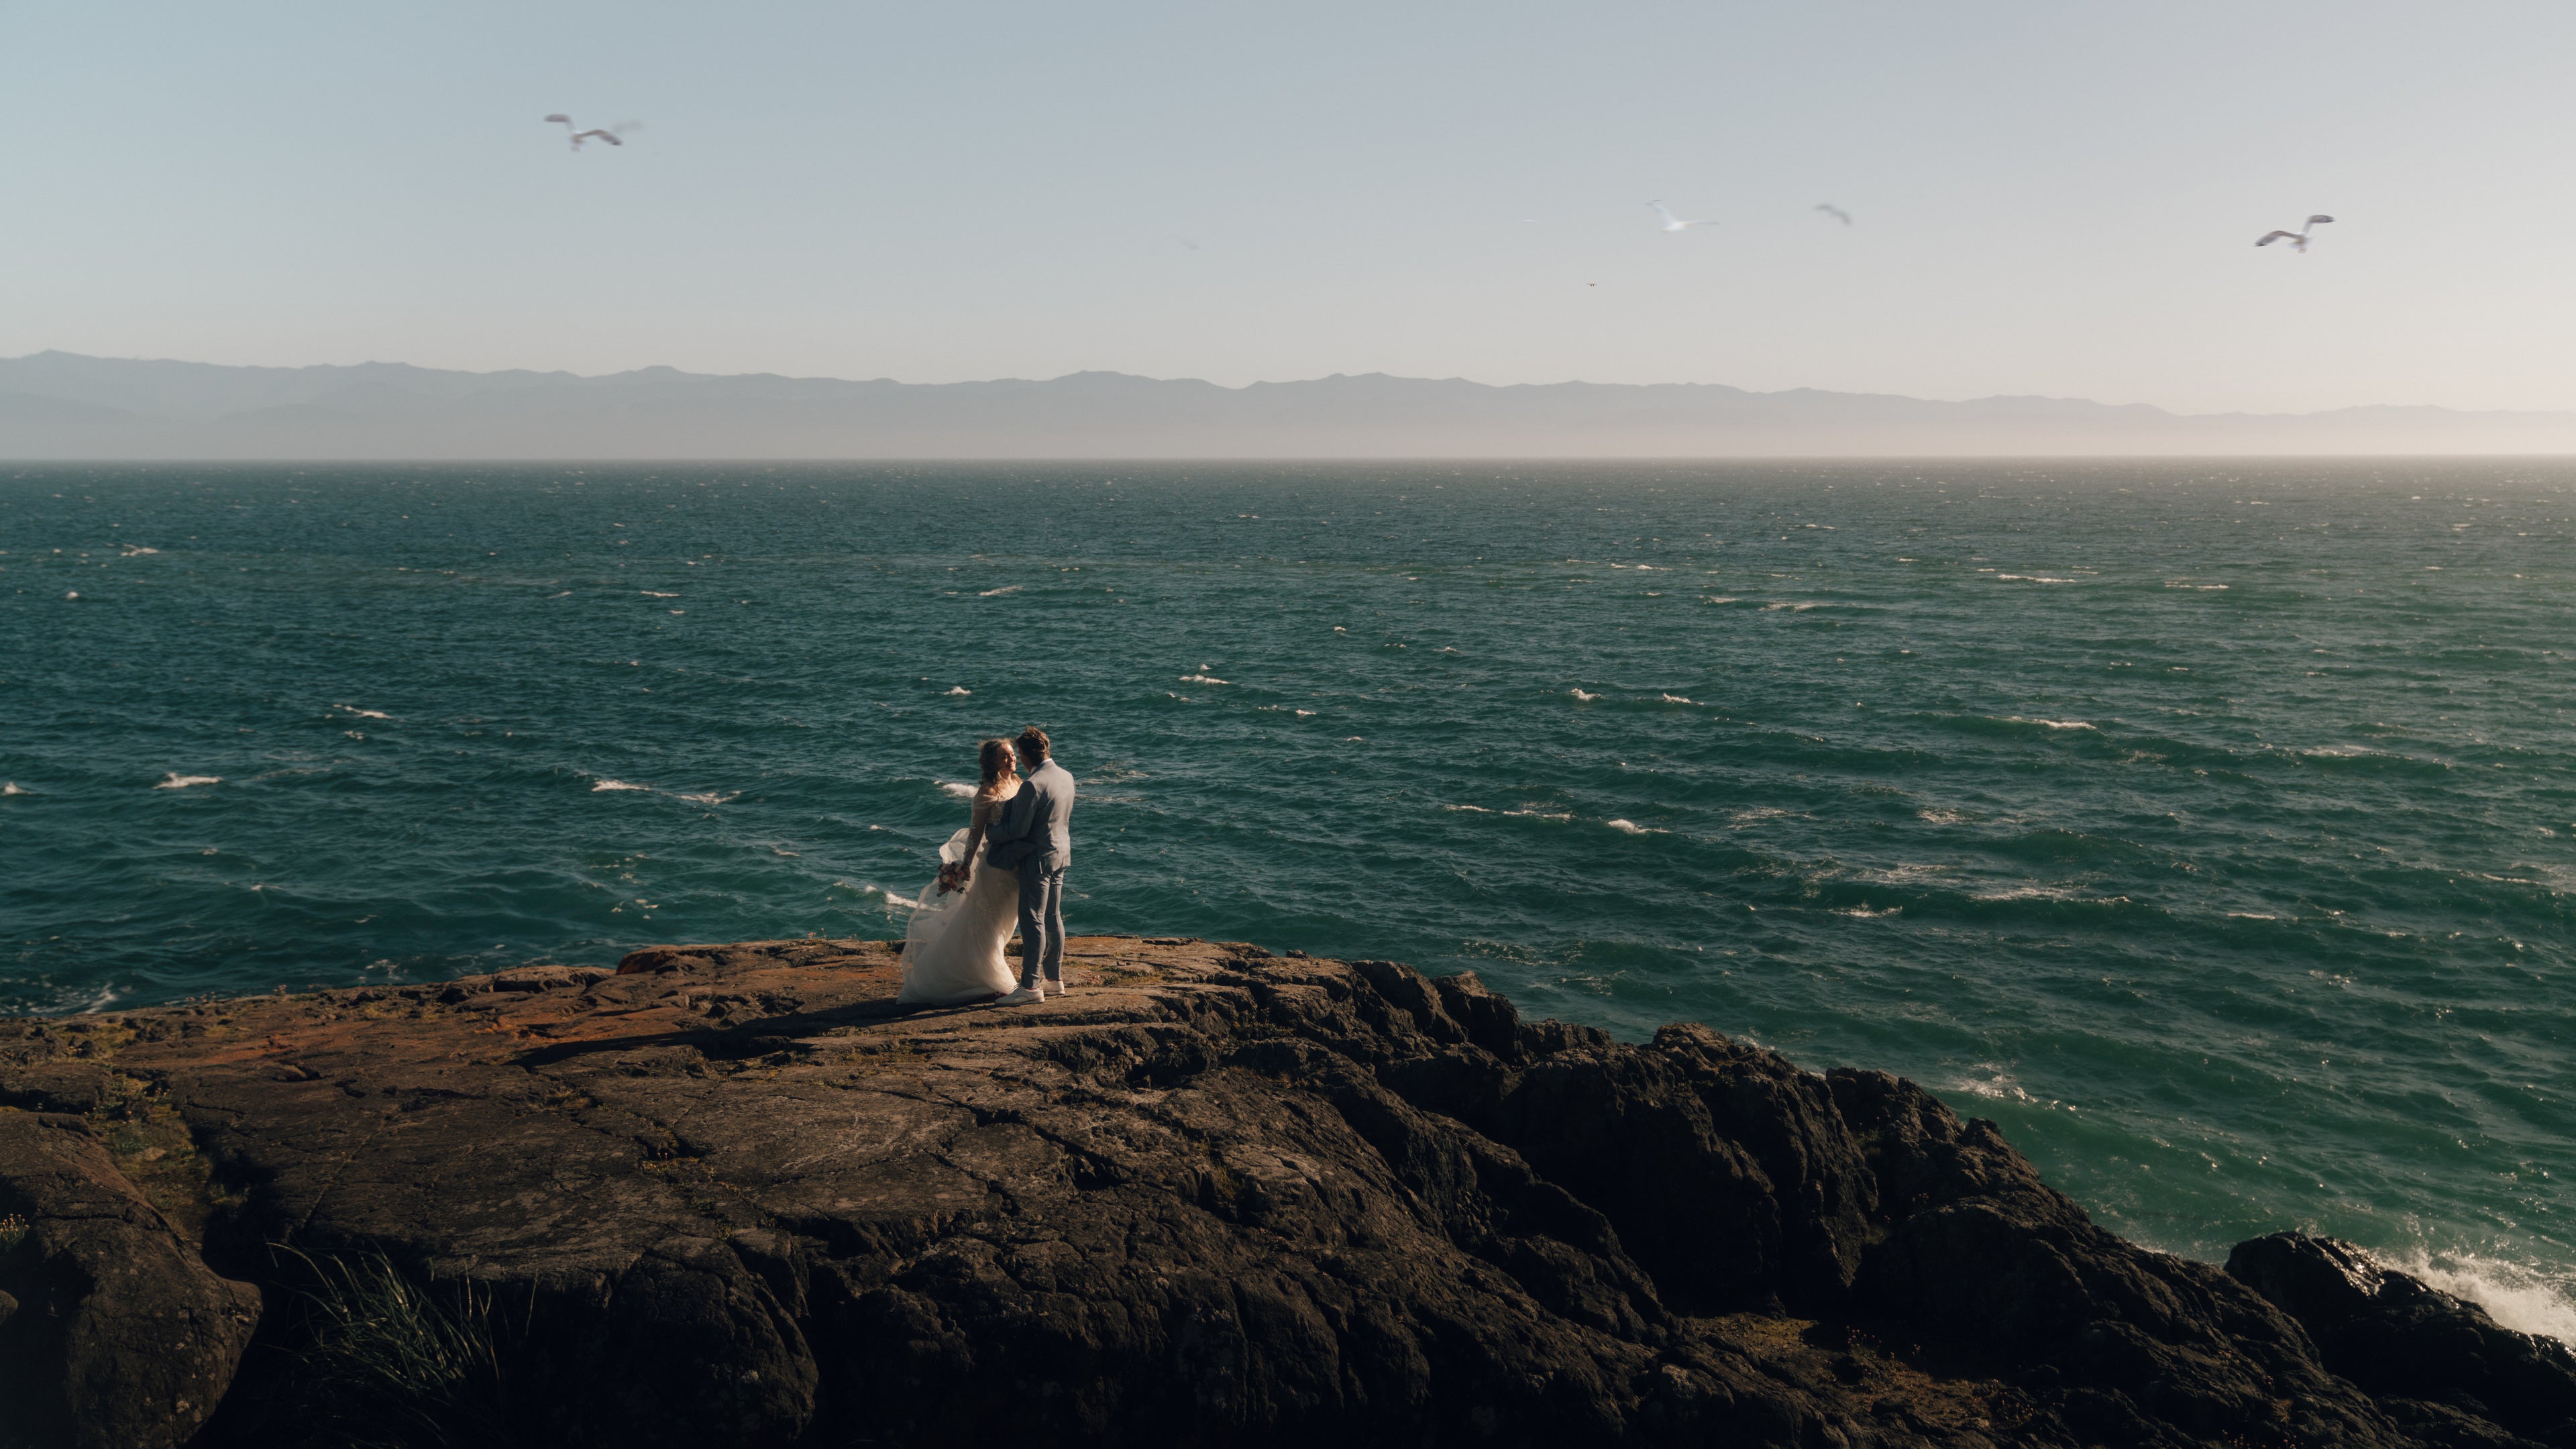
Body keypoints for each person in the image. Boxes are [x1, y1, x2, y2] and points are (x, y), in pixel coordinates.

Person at [894, 739, 1024, 1005]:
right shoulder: (987, 792)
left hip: (1015, 867)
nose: (1012, 760)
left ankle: (982, 972)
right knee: (988, 925)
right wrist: (964, 866)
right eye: (1005, 757)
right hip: (994, 869)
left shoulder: (1019, 783)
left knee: (1005, 925)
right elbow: (975, 834)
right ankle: (991, 978)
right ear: (992, 763)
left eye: (1012, 755)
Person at [982, 726, 1075, 1006]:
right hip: (1060, 853)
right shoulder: (1066, 776)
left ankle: (1031, 986)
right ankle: (1054, 979)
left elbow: (1018, 830)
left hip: (1037, 859)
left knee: (1032, 918)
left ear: (1024, 755)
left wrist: (992, 833)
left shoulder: (1032, 785)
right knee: (1053, 916)